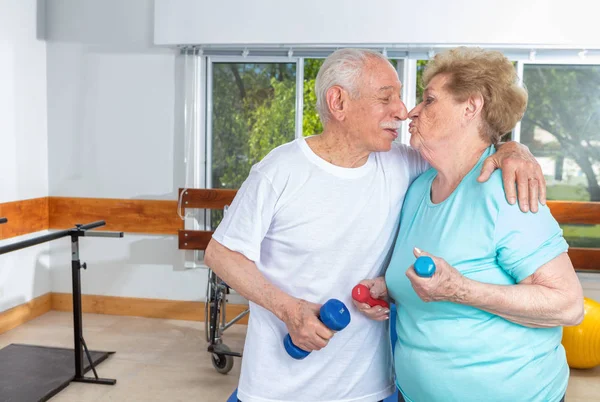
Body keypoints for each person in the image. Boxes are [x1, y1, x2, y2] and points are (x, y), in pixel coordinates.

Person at [204, 48, 546, 402]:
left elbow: (465, 152)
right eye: (386, 98)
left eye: (402, 97)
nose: (402, 111)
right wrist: (288, 309)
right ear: (338, 102)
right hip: (279, 387)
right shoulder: (280, 170)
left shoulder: (404, 164)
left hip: (370, 387)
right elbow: (221, 255)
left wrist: (511, 150)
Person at [369, 47, 583, 402]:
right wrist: (388, 286)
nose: (411, 112)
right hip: (413, 392)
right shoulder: (419, 188)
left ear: (470, 107)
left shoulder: (507, 188)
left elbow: (568, 305)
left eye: (429, 100)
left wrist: (460, 289)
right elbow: (434, 277)